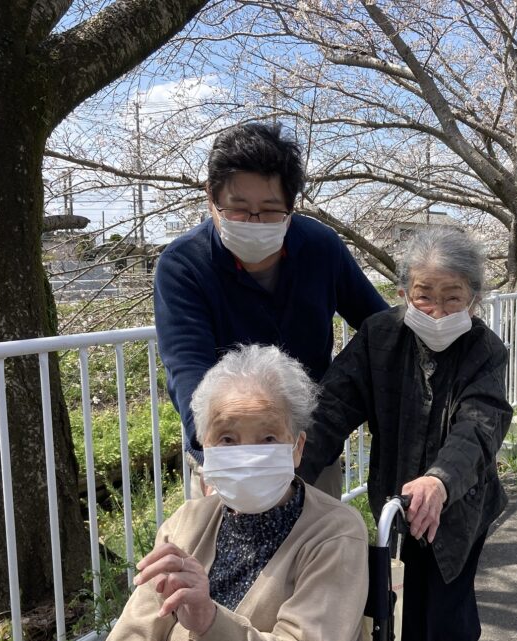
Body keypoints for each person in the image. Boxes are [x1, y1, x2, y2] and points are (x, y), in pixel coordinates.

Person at [85, 344, 369, 641]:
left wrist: (207, 621)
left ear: (298, 447)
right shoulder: (187, 523)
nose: (248, 455)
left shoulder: (334, 535)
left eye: (268, 437)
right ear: (205, 449)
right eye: (227, 439)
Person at [298, 228, 512, 641]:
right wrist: (288, 467)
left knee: (446, 620)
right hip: (400, 501)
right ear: (404, 291)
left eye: (452, 296)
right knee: (412, 617)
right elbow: (333, 407)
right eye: (424, 295)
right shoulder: (379, 337)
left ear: (474, 296)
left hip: (458, 507)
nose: (437, 310)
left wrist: (441, 480)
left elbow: (479, 425)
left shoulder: (485, 348)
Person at [154, 122, 388, 498]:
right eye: (239, 210)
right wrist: (212, 456)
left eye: (269, 210)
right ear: (211, 198)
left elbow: (379, 326)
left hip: (306, 446)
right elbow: (187, 368)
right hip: (226, 453)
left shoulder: (321, 248)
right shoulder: (183, 265)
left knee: (319, 546)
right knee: (223, 553)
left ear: (291, 207)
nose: (254, 222)